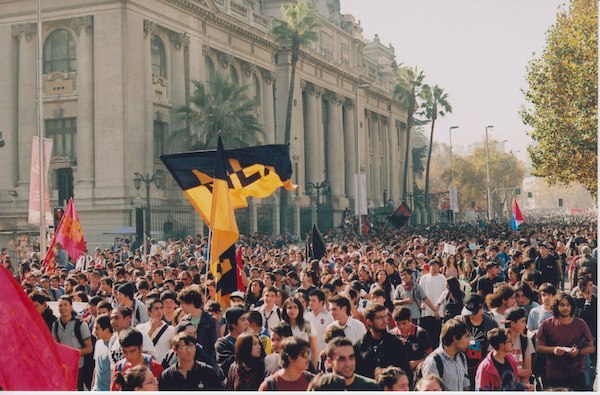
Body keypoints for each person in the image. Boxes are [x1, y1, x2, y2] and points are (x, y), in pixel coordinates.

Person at [535, 292, 595, 391]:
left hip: (576, 374)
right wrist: (554, 350)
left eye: (568, 305)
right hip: (554, 375)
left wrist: (578, 352)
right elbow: (538, 347)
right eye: (562, 305)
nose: (565, 308)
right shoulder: (547, 324)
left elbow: (591, 347)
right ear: (556, 306)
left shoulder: (580, 323)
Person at [354, 303, 408, 380]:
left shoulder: (395, 343)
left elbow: (404, 370)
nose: (384, 320)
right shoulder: (360, 344)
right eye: (379, 317)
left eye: (385, 316)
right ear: (369, 321)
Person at [454, 294, 498, 389]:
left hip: (483, 368)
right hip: (461, 367)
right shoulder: (458, 322)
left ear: (482, 307)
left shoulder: (491, 324)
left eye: (473, 313)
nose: (471, 316)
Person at [52, 295, 94, 391]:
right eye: (60, 306)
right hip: (63, 367)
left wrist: (72, 354)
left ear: (71, 307)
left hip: (78, 367)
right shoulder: (56, 325)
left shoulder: (80, 325)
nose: (63, 308)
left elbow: (89, 348)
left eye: (65, 305)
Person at [158, 333, 223, 390]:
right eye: (184, 347)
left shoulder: (207, 372)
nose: (189, 350)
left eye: (191, 346)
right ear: (175, 350)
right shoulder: (167, 376)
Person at [420, 318, 470, 391]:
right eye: (466, 336)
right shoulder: (433, 362)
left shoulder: (462, 357)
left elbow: (465, 386)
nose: (469, 341)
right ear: (455, 338)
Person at [177, 286, 219, 367]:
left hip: (206, 365)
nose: (181, 306)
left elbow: (215, 345)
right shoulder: (183, 321)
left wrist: (211, 365)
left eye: (183, 303)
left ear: (191, 302)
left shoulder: (210, 320)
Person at [390, 306, 432, 382]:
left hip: (416, 374)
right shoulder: (392, 335)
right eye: (398, 324)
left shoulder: (420, 333)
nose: (401, 327)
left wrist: (417, 362)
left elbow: (431, 356)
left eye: (404, 323)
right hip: (398, 375)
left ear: (410, 319)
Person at [135, 298, 176, 364]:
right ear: (148, 311)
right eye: (156, 309)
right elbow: (139, 346)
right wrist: (151, 330)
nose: (159, 311)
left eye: (161, 308)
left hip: (164, 366)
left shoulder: (171, 329)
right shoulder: (140, 328)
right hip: (146, 365)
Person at [281, 297, 318, 366]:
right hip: (288, 365)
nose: (293, 310)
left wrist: (314, 367)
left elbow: (314, 349)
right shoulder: (281, 326)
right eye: (290, 308)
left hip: (305, 363)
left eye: (295, 307)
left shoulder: (308, 325)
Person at [417, 259, 445, 346]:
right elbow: (421, 292)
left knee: (435, 335)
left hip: (438, 310)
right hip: (426, 310)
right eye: (433, 265)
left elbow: (444, 293)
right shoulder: (424, 278)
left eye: (437, 265)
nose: (435, 267)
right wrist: (422, 303)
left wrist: (439, 307)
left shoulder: (442, 278)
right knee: (425, 333)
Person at [503, 307, 534, 385]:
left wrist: (525, 387)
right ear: (513, 324)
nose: (525, 325)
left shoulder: (525, 340)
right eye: (522, 322)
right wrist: (517, 372)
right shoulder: (500, 340)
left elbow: (527, 372)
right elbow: (495, 366)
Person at [215, 306, 249, 376]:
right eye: (243, 320)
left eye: (247, 319)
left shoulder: (253, 339)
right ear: (233, 324)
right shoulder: (222, 344)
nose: (247, 323)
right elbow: (228, 365)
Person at [305, 289, 334, 355]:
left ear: (321, 302)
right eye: (310, 300)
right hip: (309, 354)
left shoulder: (329, 317)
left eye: (314, 301)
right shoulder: (306, 316)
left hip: (323, 353)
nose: (311, 303)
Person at [92, 314, 113, 391]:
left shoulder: (114, 346)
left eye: (97, 328)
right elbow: (96, 367)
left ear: (106, 330)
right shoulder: (98, 343)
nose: (94, 331)